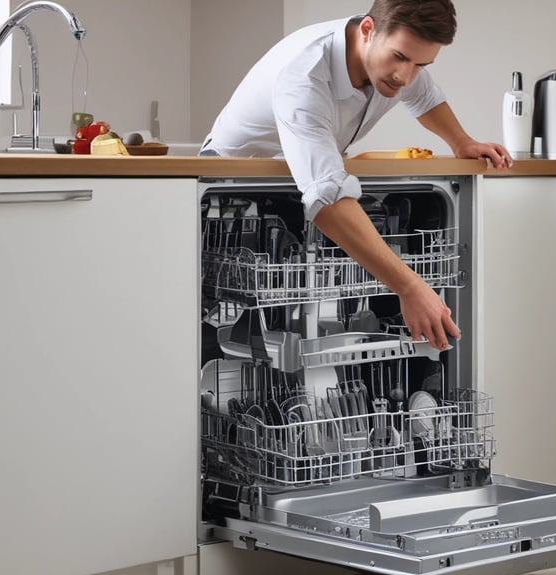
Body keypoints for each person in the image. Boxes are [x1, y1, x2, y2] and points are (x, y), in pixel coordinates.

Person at [201, 0, 513, 350]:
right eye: (399, 57)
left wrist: (461, 141)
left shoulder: (396, 62)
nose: (405, 76)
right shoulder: (304, 77)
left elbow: (424, 96)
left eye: (420, 64)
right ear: (368, 30)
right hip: (234, 202)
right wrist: (409, 286)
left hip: (295, 186)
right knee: (243, 322)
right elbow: (328, 200)